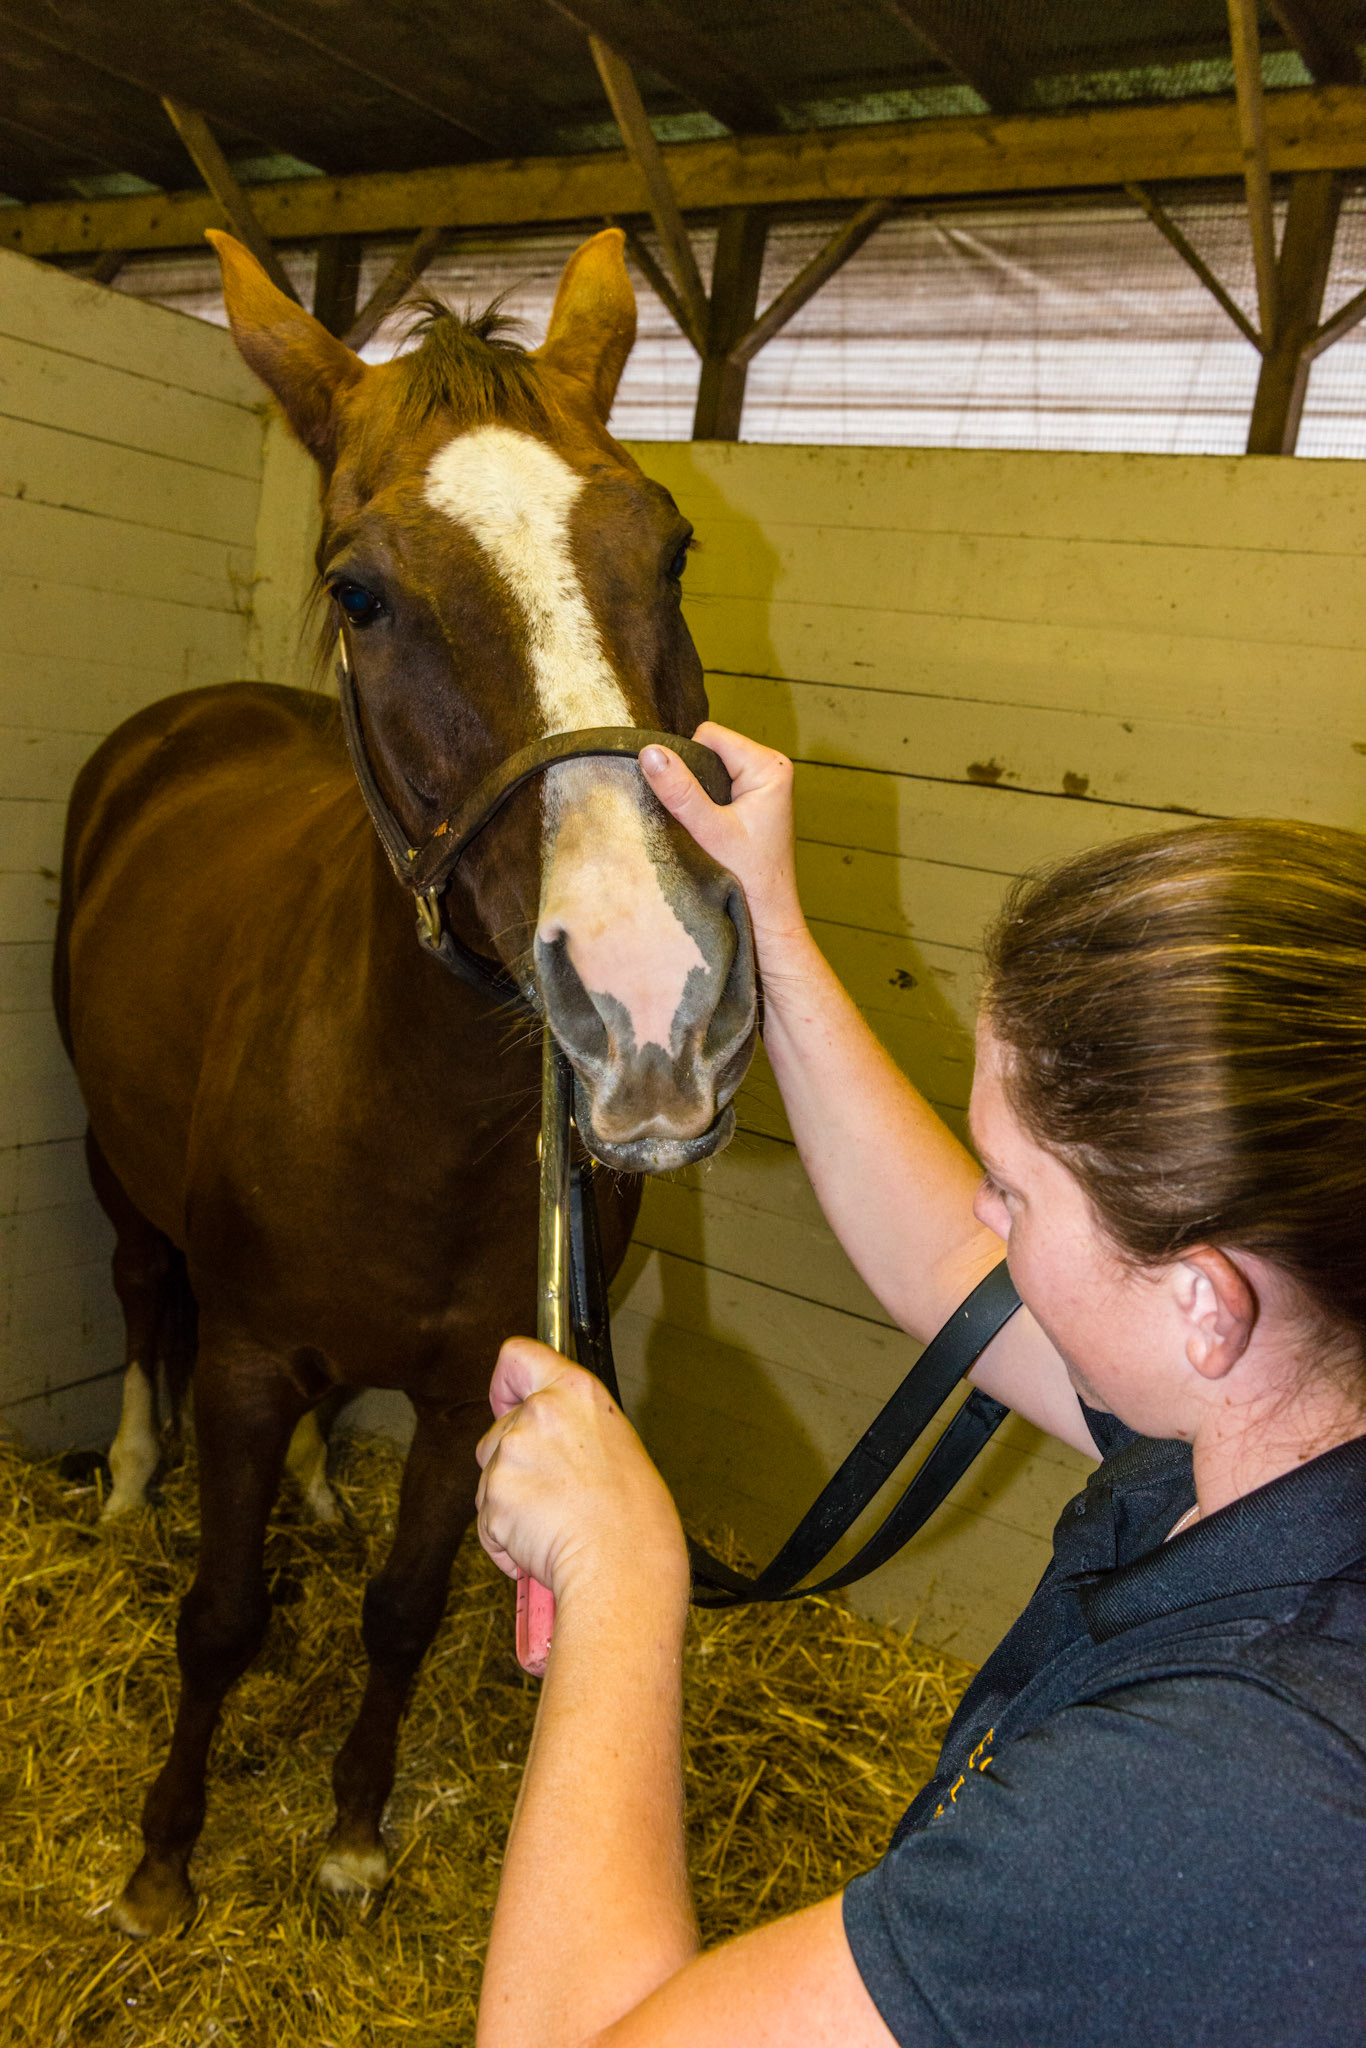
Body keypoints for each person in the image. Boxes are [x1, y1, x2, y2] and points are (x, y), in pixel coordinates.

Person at [472, 724, 1366, 2048]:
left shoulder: (1222, 1797)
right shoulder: (1282, 1413)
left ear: (1203, 1300)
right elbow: (951, 1265)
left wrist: (619, 1576)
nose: (981, 1213)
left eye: (1011, 1184)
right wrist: (766, 921)